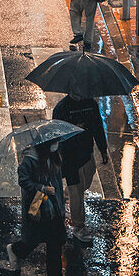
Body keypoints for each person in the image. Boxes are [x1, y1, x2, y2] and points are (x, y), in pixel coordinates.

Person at [4, 139, 69, 276]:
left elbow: (58, 180)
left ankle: (54, 274)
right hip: (38, 203)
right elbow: (23, 180)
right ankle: (15, 250)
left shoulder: (54, 156)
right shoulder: (30, 160)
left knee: (56, 239)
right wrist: (42, 188)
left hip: (54, 203)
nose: (56, 145)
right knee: (35, 237)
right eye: (54, 142)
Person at [53, 93, 108, 243]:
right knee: (77, 192)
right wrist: (72, 129)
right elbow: (56, 134)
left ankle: (65, 194)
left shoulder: (90, 103)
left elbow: (98, 126)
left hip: (87, 152)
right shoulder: (61, 108)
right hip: (70, 156)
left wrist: (103, 149)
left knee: (86, 182)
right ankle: (79, 227)